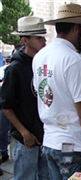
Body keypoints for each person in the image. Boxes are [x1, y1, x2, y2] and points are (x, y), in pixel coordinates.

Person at [32, 4, 81, 179]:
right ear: (75, 28)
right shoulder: (74, 59)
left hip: (50, 142)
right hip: (73, 147)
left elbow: (40, 93)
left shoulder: (40, 56)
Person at [0, 16, 50, 180]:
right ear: (25, 40)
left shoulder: (46, 63)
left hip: (47, 135)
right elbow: (6, 106)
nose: (43, 41)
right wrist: (24, 132)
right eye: (38, 37)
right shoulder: (14, 69)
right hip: (26, 139)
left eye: (43, 36)